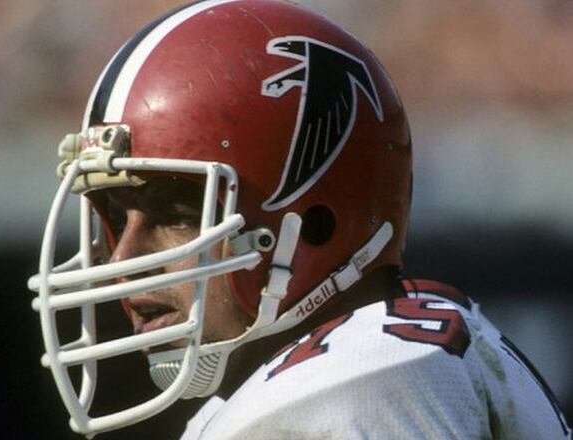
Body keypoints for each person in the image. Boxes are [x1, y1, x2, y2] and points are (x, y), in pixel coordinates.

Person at [29, 0, 571, 438]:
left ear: (315, 222)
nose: (123, 261)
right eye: (116, 216)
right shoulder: (400, 341)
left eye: (175, 213)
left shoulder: (347, 385)